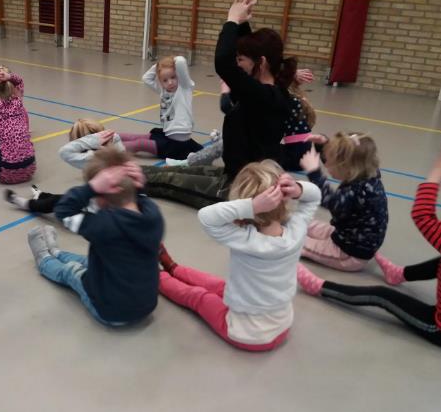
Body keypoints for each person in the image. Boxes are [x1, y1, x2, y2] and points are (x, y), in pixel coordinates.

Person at [140, 0, 298, 209]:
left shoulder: (264, 95)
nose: (238, 64)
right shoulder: (265, 89)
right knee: (168, 172)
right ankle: (118, 173)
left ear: (260, 63)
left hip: (241, 189)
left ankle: (114, 179)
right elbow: (246, 54)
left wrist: (231, 21)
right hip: (233, 173)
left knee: (161, 181)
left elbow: (224, 63)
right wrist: (242, 23)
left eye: (241, 60)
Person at [158, 160, 321, 351]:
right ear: (284, 200)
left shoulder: (245, 239)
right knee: (217, 285)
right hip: (282, 325)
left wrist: (251, 206)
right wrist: (299, 188)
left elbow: (206, 216)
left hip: (246, 334)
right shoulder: (297, 228)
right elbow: (314, 196)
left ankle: (157, 276)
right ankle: (173, 268)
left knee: (200, 297)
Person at [296, 149, 441, 347]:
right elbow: (357, 155)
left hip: (437, 326)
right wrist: (328, 146)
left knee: (381, 296)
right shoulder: (368, 176)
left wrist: (437, 170)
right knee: (308, 227)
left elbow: (423, 214)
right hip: (349, 239)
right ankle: (399, 274)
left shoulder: (357, 186)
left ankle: (320, 287)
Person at [27, 148, 164, 326]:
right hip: (146, 305)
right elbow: (142, 198)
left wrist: (91, 187)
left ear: (100, 199)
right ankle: (57, 252)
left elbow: (63, 211)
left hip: (111, 312)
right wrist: (140, 188)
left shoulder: (104, 224)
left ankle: (44, 258)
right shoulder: (153, 214)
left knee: (72, 271)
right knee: (93, 259)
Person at [299, 133, 388, 271]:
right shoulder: (367, 174)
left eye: (329, 165)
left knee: (296, 242)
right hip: (347, 235)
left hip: (349, 253)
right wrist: (323, 145)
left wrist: (314, 173)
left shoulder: (357, 191)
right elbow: (346, 156)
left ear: (347, 169)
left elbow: (329, 200)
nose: (326, 166)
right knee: (303, 223)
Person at [4, 118, 125, 213]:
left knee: (57, 202)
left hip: (98, 211)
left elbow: (64, 152)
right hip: (115, 204)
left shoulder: (90, 158)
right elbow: (117, 138)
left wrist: (91, 140)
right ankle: (41, 195)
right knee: (66, 196)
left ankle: (24, 203)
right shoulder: (117, 153)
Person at [120, 55, 203, 160]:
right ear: (161, 82)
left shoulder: (184, 89)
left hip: (178, 143)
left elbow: (181, 61)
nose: (170, 82)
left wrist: (169, 62)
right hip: (167, 135)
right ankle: (113, 136)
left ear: (178, 75)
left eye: (173, 77)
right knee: (140, 137)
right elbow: (146, 78)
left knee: (139, 143)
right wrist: (159, 66)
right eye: (165, 80)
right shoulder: (163, 91)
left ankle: (113, 149)